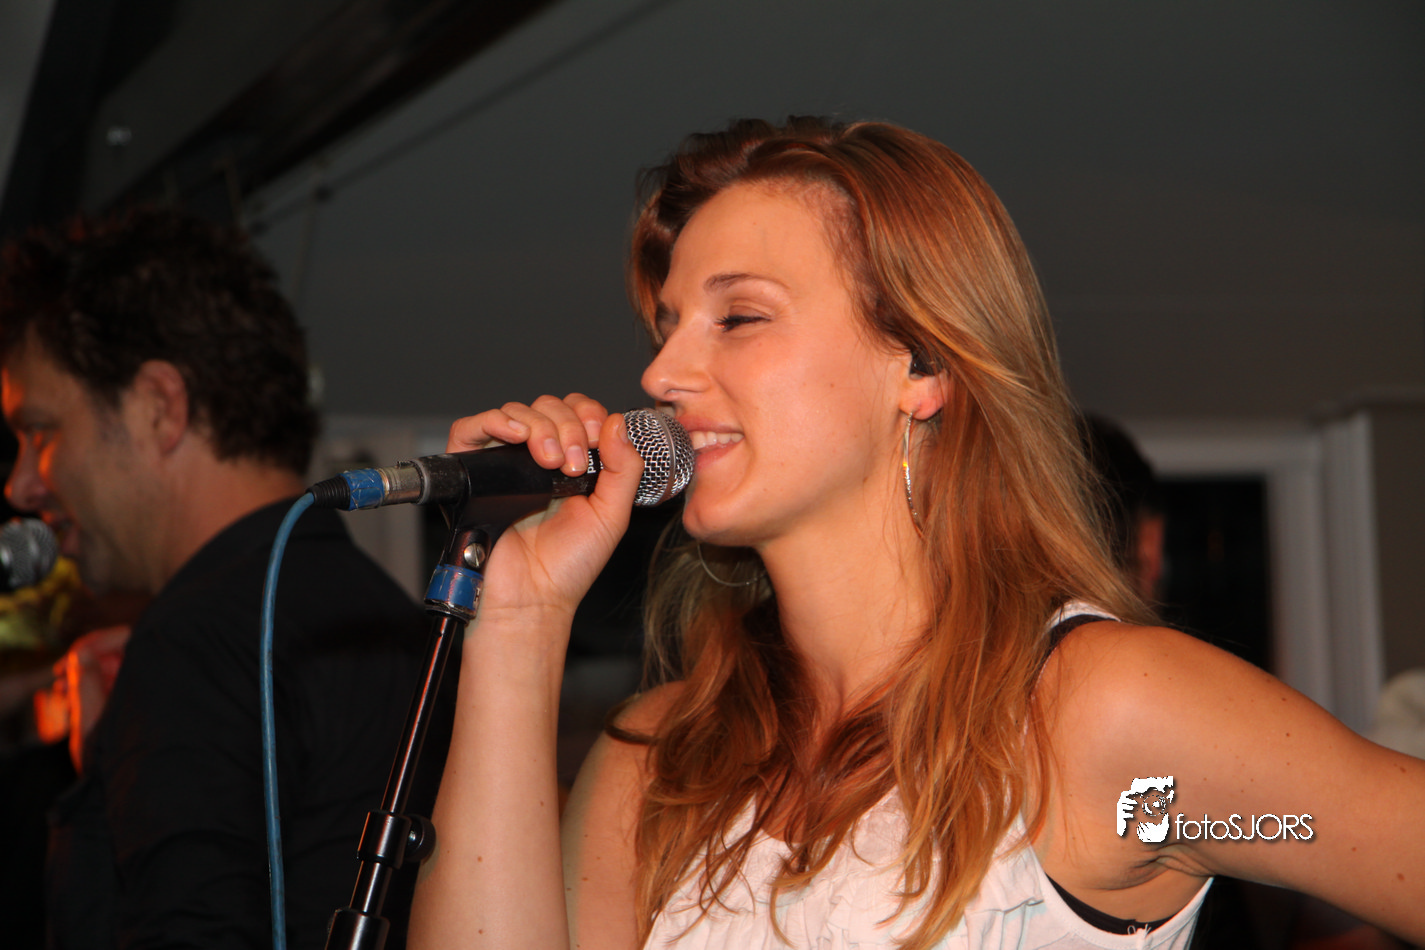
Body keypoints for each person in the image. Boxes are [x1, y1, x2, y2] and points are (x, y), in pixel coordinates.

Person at [409, 117, 1425, 948]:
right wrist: (520, 622)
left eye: (740, 317)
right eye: (668, 325)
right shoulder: (660, 757)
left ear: (922, 366)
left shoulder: (1099, 716)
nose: (661, 374)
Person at [0, 208, 437, 949]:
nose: (20, 485)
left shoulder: (194, 641)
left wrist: (105, 792)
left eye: (40, 433)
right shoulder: (389, 619)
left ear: (158, 407)